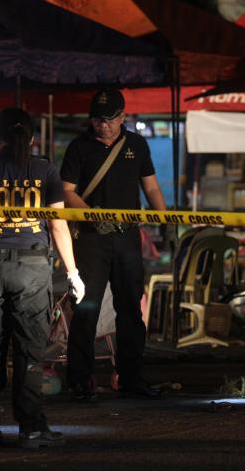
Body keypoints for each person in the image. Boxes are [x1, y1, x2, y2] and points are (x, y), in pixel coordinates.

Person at [0, 108, 85, 449]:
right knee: (29, 349)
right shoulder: (44, 169)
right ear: (33, 138)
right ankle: (30, 427)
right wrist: (72, 272)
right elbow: (58, 224)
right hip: (31, 268)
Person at [60, 88, 166, 401]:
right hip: (92, 238)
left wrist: (165, 218)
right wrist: (91, 216)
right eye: (97, 119)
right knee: (85, 308)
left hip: (128, 237)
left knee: (131, 308)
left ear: (122, 117)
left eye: (109, 119)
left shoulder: (136, 144)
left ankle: (132, 378)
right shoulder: (79, 147)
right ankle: (80, 380)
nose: (102, 125)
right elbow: (67, 191)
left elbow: (152, 186)